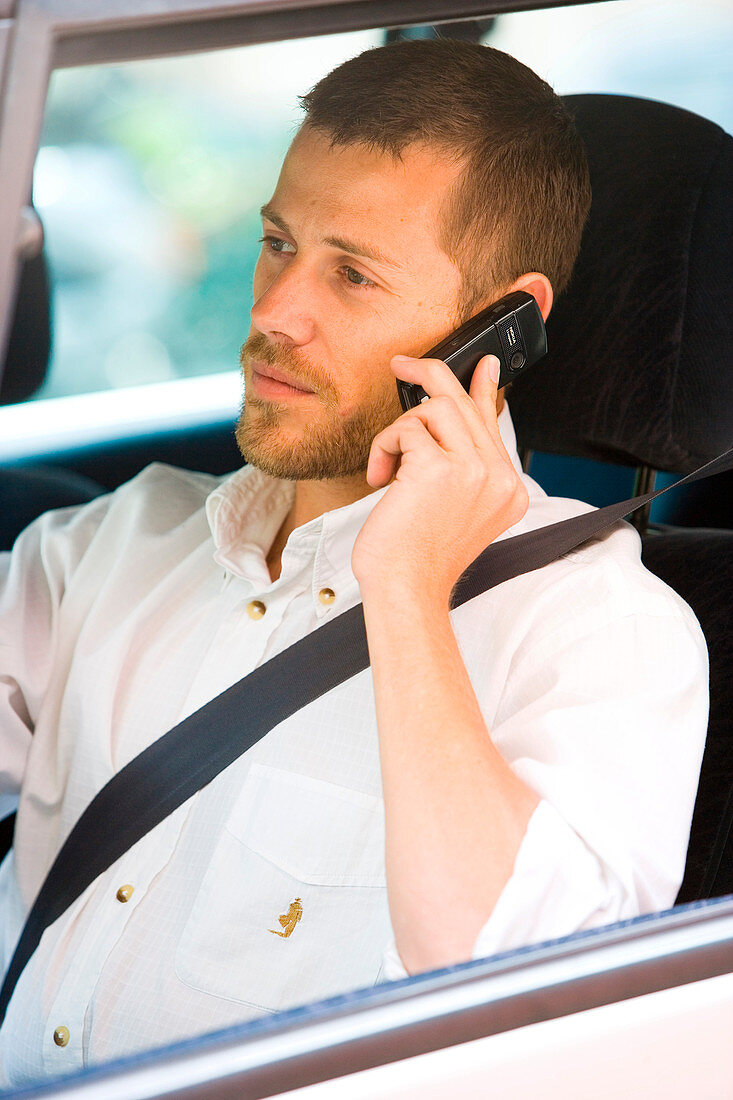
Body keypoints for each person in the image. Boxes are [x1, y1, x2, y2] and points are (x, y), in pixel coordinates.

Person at [0, 39, 707, 1083]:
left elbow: (526, 1018)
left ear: (501, 325)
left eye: (353, 272)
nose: (275, 313)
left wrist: (410, 591)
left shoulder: (605, 635)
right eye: (278, 242)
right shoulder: (110, 541)